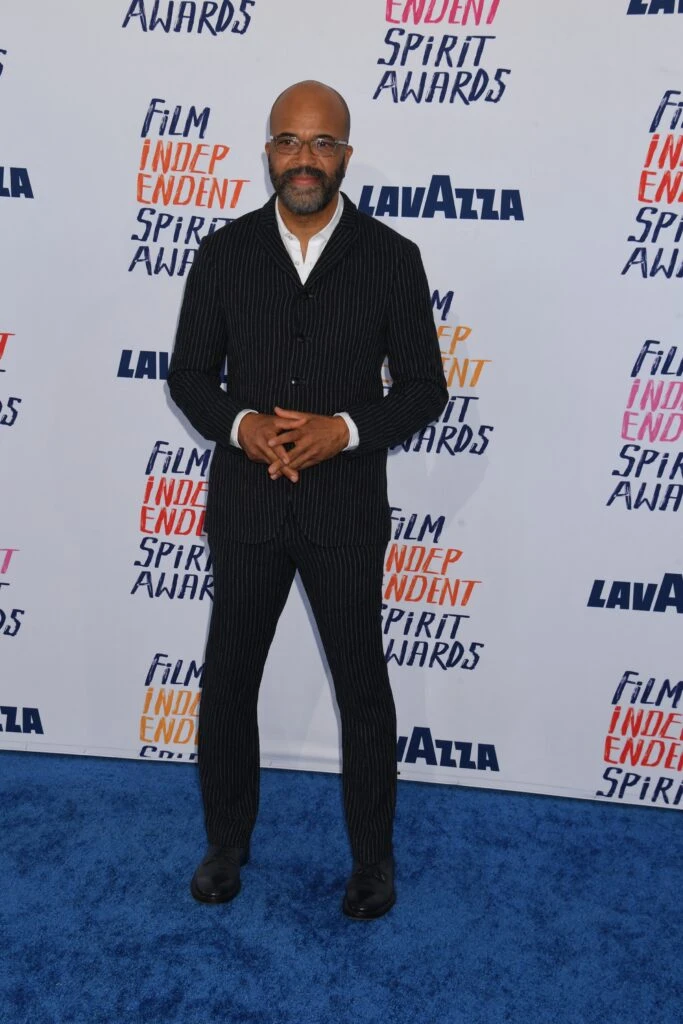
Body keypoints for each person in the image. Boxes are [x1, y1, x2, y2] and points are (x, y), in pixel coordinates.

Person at [168, 80, 448, 918]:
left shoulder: (392, 256)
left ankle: (373, 863)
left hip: (345, 510)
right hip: (249, 508)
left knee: (362, 688)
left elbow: (425, 388)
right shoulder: (222, 254)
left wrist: (346, 431)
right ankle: (225, 844)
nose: (304, 159)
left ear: (346, 157)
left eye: (322, 144)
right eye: (289, 142)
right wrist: (245, 423)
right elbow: (187, 376)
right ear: (268, 153)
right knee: (227, 684)